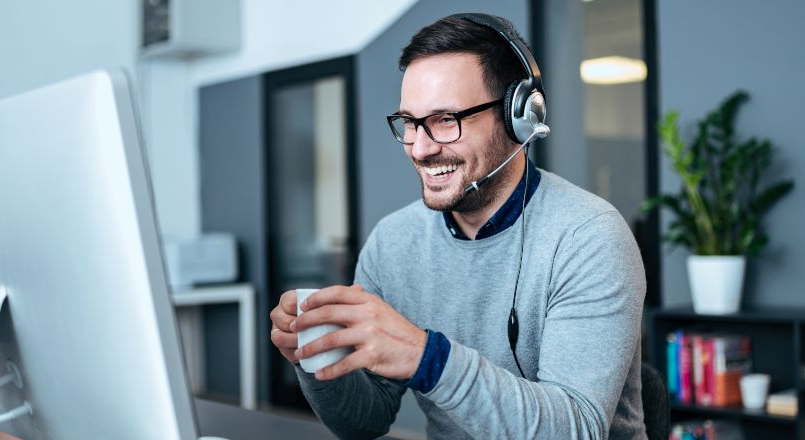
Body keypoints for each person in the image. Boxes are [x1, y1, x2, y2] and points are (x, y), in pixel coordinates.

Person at [269, 13, 646, 439]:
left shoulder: (590, 237)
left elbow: (576, 430)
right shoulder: (392, 244)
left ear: (516, 116)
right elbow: (366, 421)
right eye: (410, 123)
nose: (422, 148)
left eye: (446, 120)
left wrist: (428, 359)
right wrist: (319, 357)